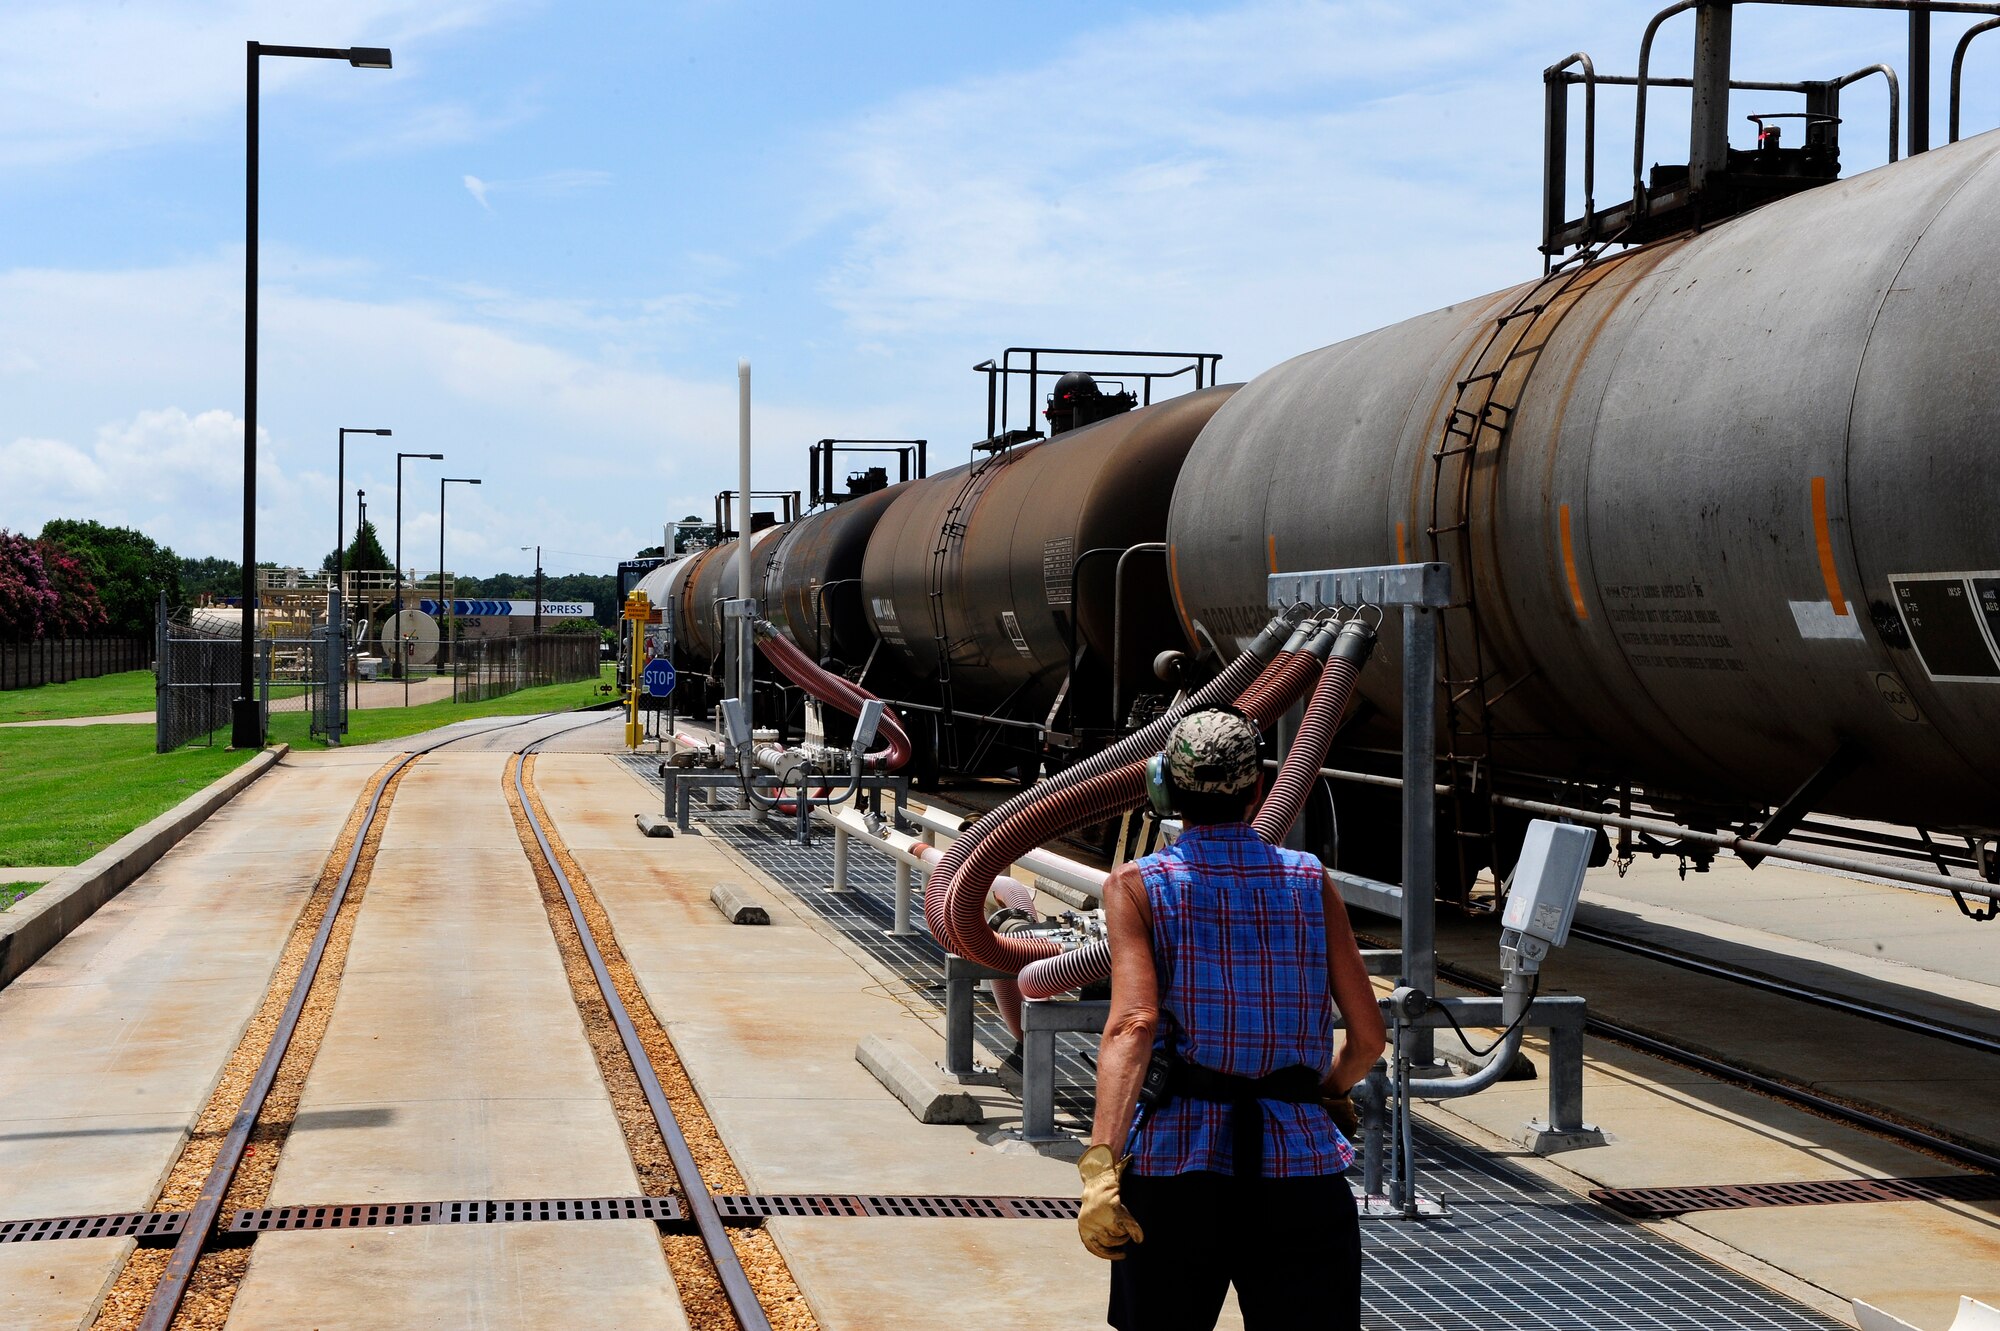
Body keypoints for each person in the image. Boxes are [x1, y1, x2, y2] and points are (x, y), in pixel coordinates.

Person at [1078, 708, 1387, 1330]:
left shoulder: (1138, 885)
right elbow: (1368, 1037)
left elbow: (1133, 1024)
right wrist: (1325, 1091)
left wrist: (1101, 1166)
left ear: (1165, 786)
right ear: (1256, 790)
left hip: (1176, 1166)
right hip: (1298, 1166)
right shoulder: (1308, 879)